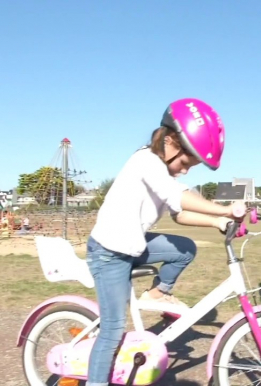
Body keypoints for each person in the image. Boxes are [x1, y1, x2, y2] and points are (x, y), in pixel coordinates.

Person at [85, 98, 246, 386]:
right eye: (186, 162)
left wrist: (216, 222)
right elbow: (176, 195)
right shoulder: (145, 161)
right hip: (109, 252)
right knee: (112, 330)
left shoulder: (162, 168)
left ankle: (158, 293)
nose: (185, 170)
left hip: (133, 244)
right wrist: (224, 208)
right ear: (170, 141)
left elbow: (179, 213)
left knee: (185, 249)